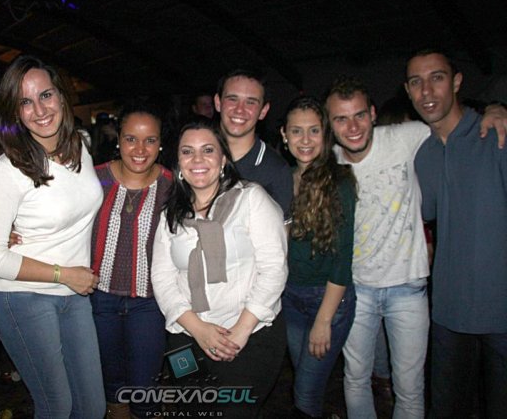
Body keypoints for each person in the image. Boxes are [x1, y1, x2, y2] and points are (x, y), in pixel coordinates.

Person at [325, 75, 507, 418]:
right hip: (355, 289)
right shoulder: (328, 162)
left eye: (360, 115)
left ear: (373, 114)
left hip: (407, 289)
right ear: (330, 124)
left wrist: (495, 109)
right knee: (356, 378)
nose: (353, 127)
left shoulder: (406, 136)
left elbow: (451, 119)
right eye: (341, 119)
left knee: (409, 389)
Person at [0, 55, 105, 418]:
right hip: (24, 297)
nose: (40, 110)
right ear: (15, 111)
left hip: (74, 295)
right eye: (25, 101)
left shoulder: (80, 146)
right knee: (57, 406)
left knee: (92, 407)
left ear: (61, 96)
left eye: (46, 95)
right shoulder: (9, 168)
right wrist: (64, 274)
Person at [151, 118, 287, 418]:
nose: (197, 159)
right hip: (186, 336)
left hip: (249, 335)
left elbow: (275, 268)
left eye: (208, 150)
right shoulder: (170, 214)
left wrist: (240, 332)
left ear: (223, 158)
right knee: (192, 409)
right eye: (187, 151)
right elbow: (162, 278)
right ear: (178, 162)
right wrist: (198, 329)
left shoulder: (251, 199)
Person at [406, 49, 507, 418]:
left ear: (457, 81)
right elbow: (428, 215)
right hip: (448, 311)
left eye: (437, 77)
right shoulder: (424, 154)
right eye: (416, 82)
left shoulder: (495, 135)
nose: (426, 91)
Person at [90, 102, 172, 418]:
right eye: (131, 139)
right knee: (111, 386)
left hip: (149, 303)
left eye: (150, 140)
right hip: (98, 299)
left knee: (145, 388)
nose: (140, 149)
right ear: (118, 139)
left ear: (160, 143)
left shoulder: (173, 186)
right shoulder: (93, 179)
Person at [279, 97, 357, 418]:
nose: (305, 140)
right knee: (305, 382)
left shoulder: (340, 181)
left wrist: (324, 320)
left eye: (314, 130)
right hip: (290, 298)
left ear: (325, 134)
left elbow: (342, 259)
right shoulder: (283, 179)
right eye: (297, 131)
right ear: (284, 135)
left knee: (305, 393)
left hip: (328, 301)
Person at [214, 68, 292, 218]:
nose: (239, 110)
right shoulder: (195, 158)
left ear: (263, 111)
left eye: (250, 102)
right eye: (232, 99)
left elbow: (281, 230)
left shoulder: (276, 170)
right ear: (218, 102)